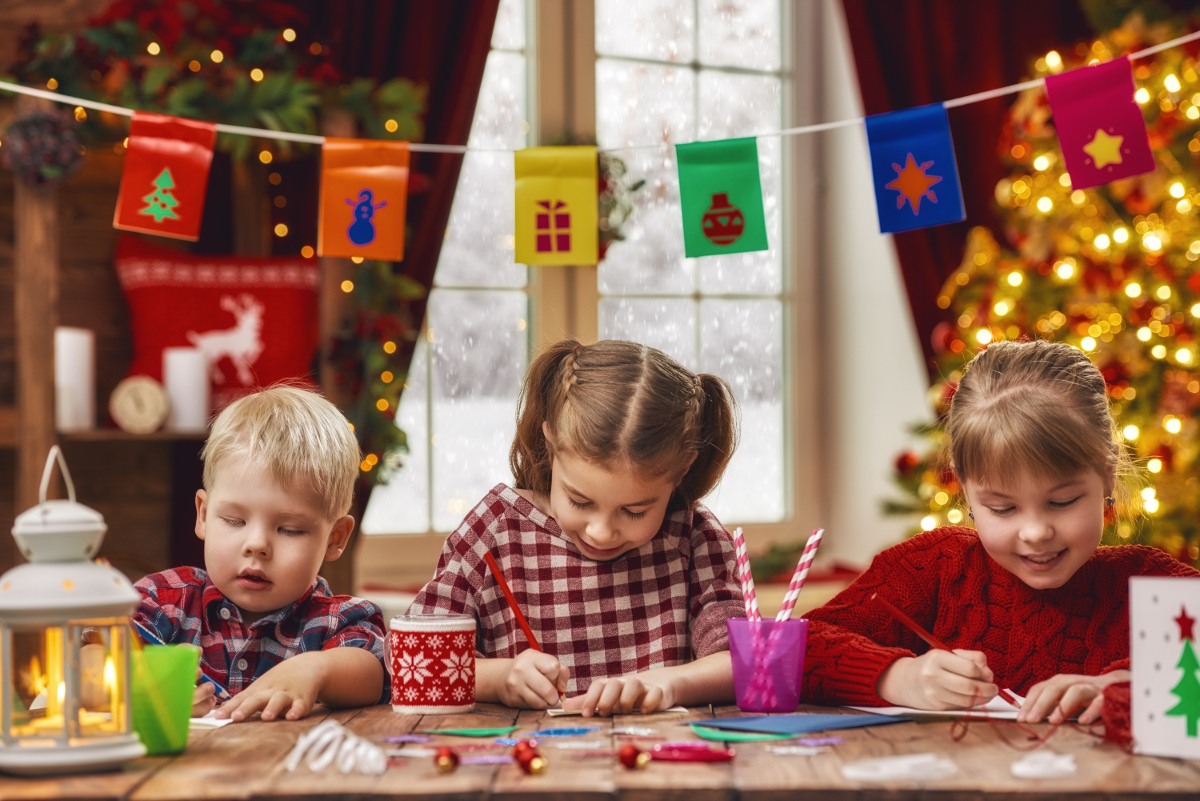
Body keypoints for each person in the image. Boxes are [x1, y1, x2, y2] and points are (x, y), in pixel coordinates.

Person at [801, 339, 1199, 724]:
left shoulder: (1152, 583)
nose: (1035, 532)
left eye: (1062, 502)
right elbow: (791, 649)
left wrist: (1126, 685)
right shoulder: (934, 567)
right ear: (965, 490)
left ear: (1108, 476)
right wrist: (896, 676)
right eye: (1002, 508)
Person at [409, 340, 744, 717]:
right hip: (525, 767)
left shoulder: (694, 539)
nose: (601, 532)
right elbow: (412, 660)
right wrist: (498, 678)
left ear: (682, 470)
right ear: (550, 447)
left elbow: (743, 662)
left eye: (633, 511)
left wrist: (668, 682)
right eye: (581, 502)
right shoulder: (495, 530)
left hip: (662, 768)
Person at [133, 386, 388, 722]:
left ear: (334, 538)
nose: (257, 545)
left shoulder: (339, 621)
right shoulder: (164, 600)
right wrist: (143, 684)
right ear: (204, 515)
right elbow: (92, 660)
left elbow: (375, 672)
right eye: (234, 520)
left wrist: (314, 669)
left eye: (289, 529)